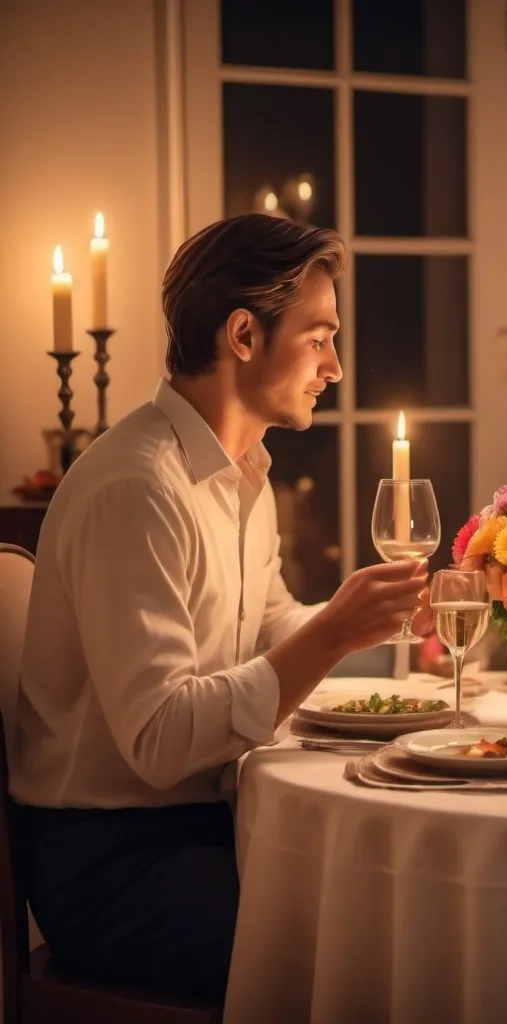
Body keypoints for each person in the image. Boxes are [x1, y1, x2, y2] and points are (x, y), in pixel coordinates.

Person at [9, 214, 431, 1001]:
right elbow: (161, 740)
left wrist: (375, 619)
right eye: (320, 337)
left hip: (200, 823)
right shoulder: (137, 488)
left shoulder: (241, 474)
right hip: (109, 864)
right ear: (243, 335)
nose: (335, 366)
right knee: (360, 947)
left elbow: (268, 628)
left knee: (398, 902)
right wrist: (337, 630)